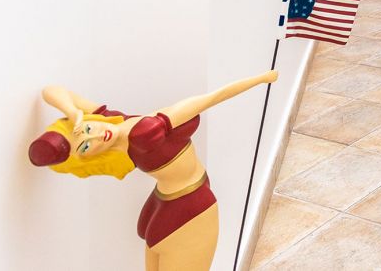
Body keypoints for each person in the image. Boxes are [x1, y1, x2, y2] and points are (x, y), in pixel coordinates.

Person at [28, 71, 277, 271]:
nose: (95, 139)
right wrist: (260, 79)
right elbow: (212, 98)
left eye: (88, 130)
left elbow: (51, 91)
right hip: (190, 208)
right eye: (85, 146)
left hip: (164, 204)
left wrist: (73, 114)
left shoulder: (109, 120)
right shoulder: (150, 128)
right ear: (88, 157)